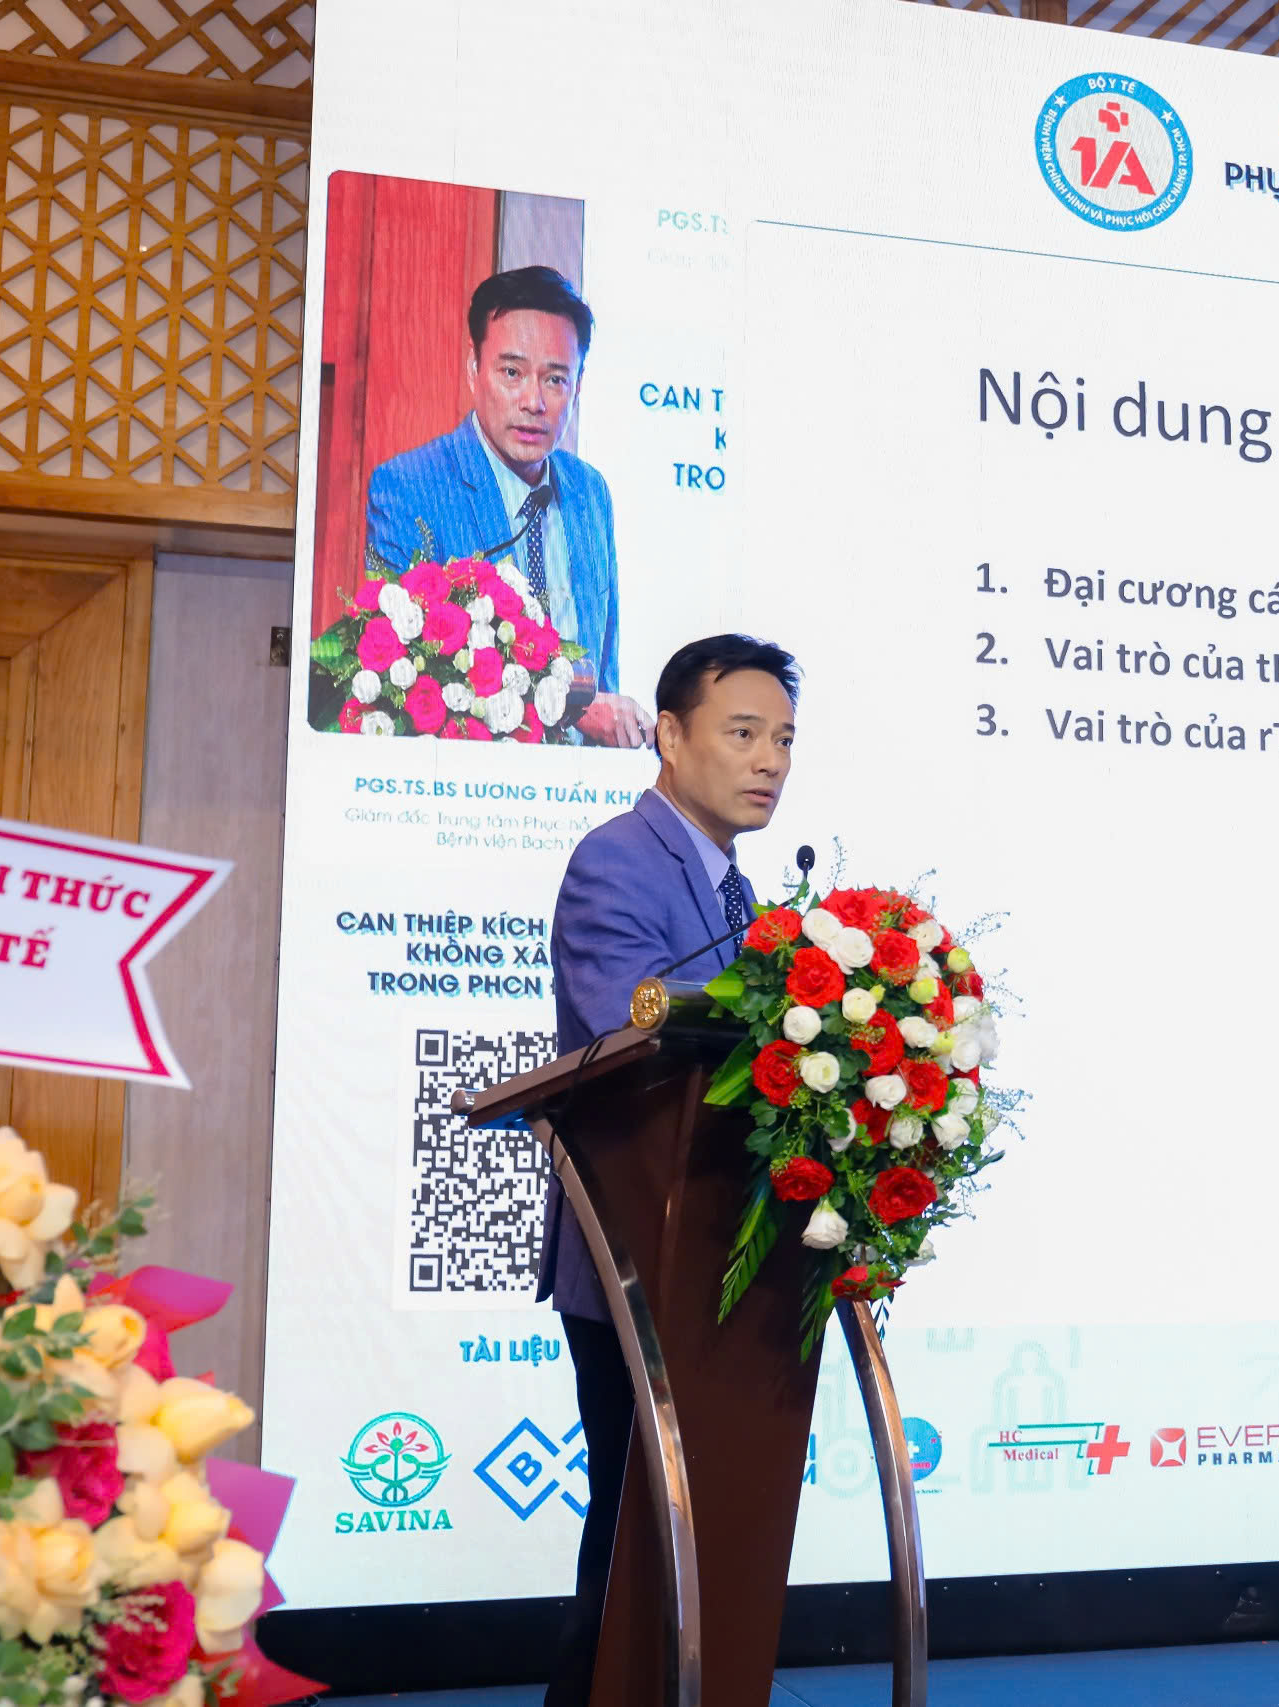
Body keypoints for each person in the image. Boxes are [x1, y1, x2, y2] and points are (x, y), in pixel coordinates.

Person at [539, 633, 799, 1707]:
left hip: (721, 1250)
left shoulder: (742, 892)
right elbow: (628, 1030)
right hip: (639, 1253)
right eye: (744, 733)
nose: (770, 760)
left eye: (784, 739)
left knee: (694, 1530)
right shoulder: (618, 861)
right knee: (634, 1534)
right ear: (672, 735)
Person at [366, 265, 651, 747]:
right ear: (474, 368)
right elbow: (404, 675)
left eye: (555, 379)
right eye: (512, 373)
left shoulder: (590, 493)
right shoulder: (408, 487)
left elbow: (604, 671)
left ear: (578, 385)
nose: (533, 401)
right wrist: (572, 706)